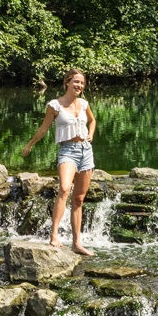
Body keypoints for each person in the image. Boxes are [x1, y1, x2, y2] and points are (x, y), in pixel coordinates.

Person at [20, 69, 98, 256]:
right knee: (64, 189)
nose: (79, 85)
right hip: (67, 152)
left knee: (78, 198)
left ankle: (76, 243)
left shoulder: (84, 103)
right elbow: (44, 128)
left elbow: (93, 120)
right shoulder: (55, 105)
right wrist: (30, 145)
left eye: (82, 83)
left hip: (86, 151)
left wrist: (90, 134)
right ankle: (54, 235)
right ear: (67, 83)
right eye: (76, 82)